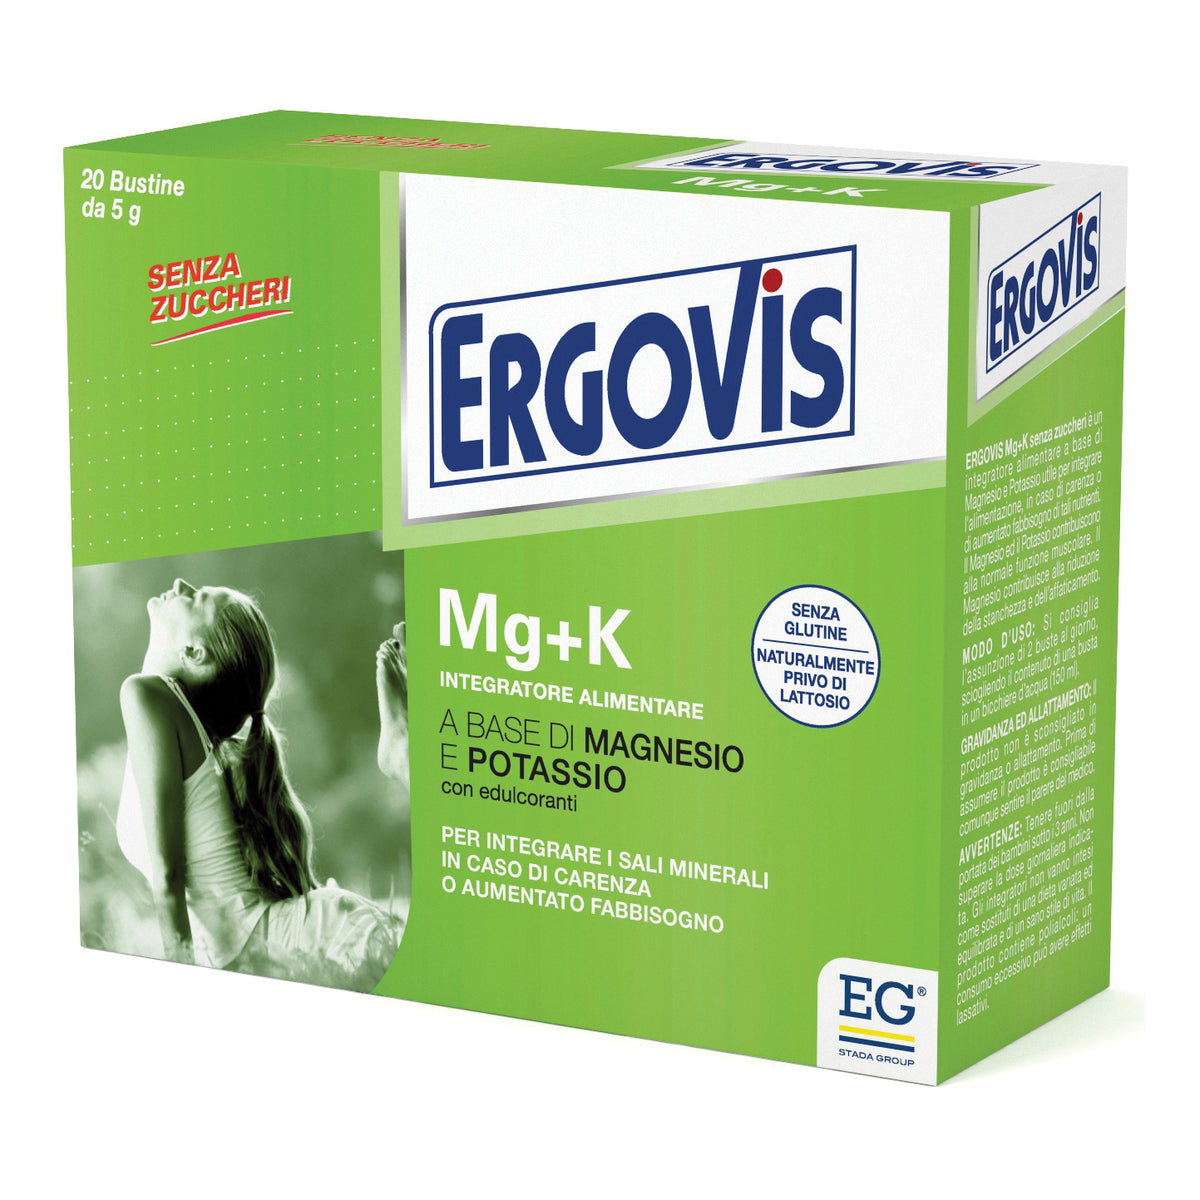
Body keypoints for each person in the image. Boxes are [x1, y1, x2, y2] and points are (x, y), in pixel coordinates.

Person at [116, 578, 408, 992]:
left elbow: (169, 877)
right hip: (308, 938)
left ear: (194, 652)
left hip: (322, 939)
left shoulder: (145, 696)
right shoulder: (165, 710)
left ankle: (403, 752)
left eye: (197, 598)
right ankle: (403, 753)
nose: (181, 584)